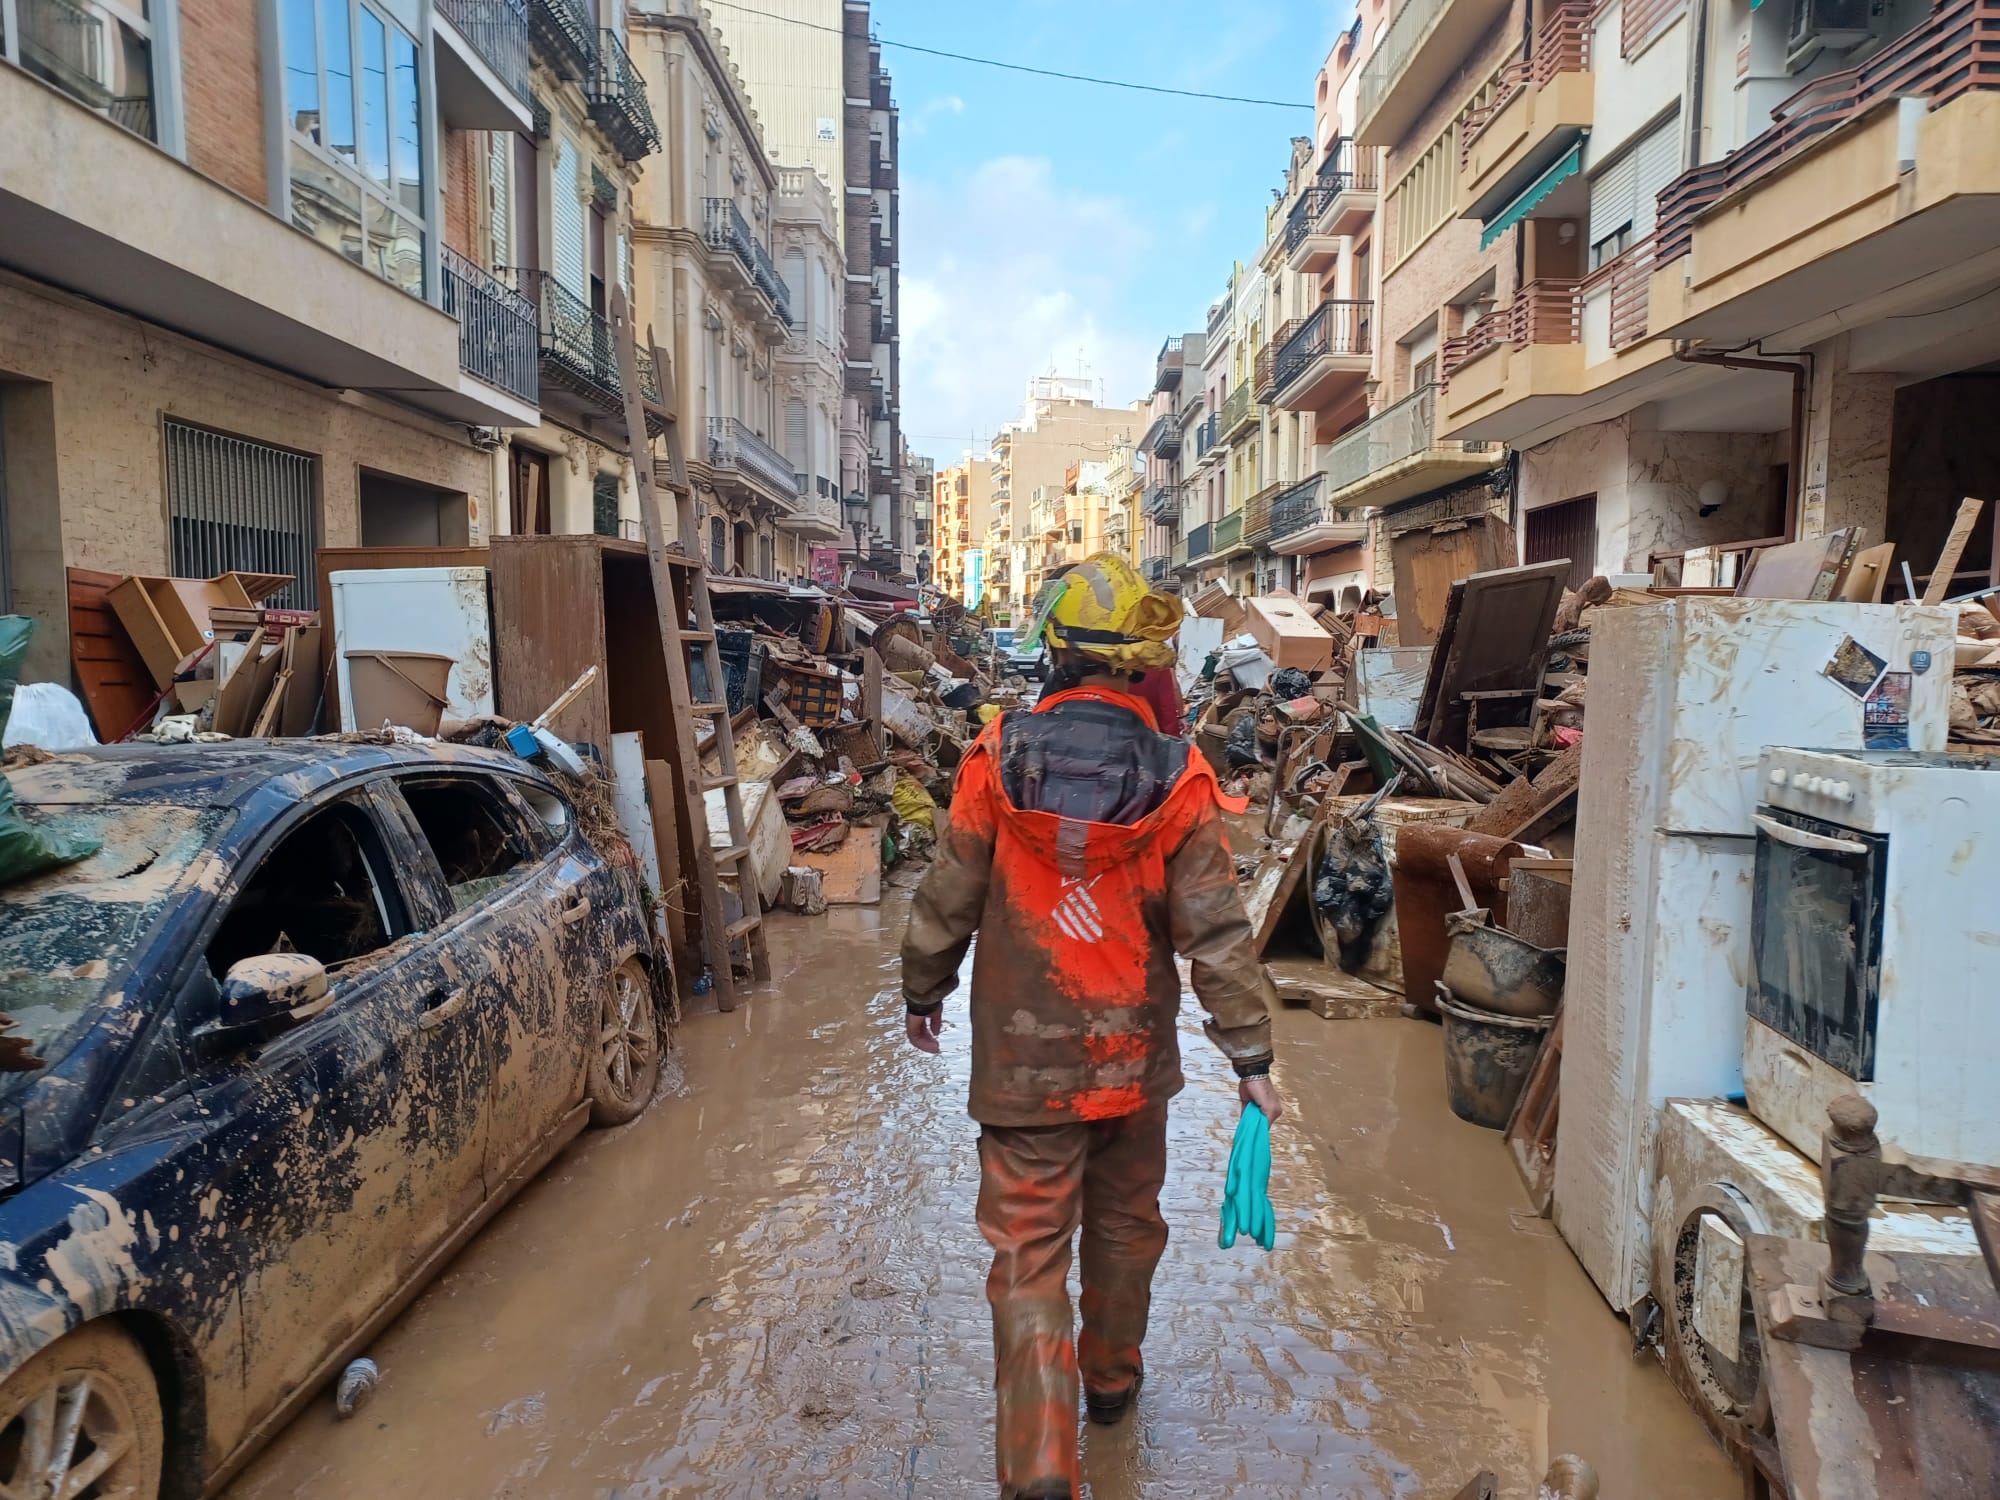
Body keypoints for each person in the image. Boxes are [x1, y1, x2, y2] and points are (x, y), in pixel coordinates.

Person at [901, 553, 1281, 1500]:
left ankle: (1038, 1461)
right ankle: (1110, 1382)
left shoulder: (993, 758)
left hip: (1023, 1063)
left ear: (1057, 654)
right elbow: (1217, 932)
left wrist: (923, 990)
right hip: (1131, 1061)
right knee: (1125, 1226)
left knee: (1028, 1253)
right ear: (1143, 667)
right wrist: (1252, 1056)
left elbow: (946, 895)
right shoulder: (1182, 775)